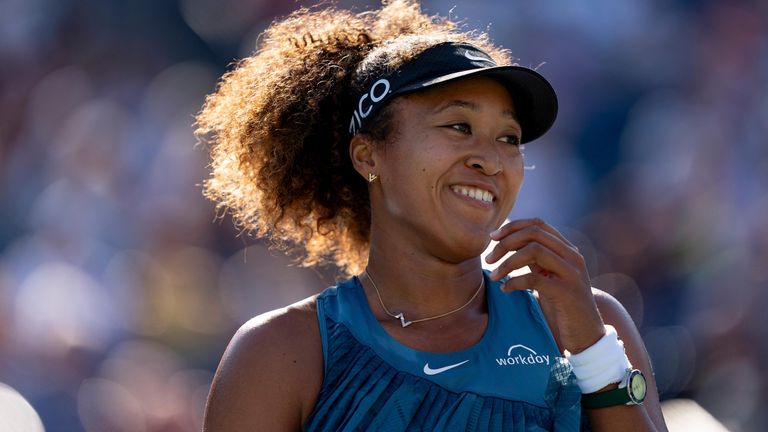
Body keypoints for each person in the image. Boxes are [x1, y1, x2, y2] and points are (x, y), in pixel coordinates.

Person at [196, 1, 667, 430]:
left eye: (509, 138)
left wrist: (593, 351)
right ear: (368, 156)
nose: (492, 160)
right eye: (459, 126)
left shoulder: (589, 321)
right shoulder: (280, 353)